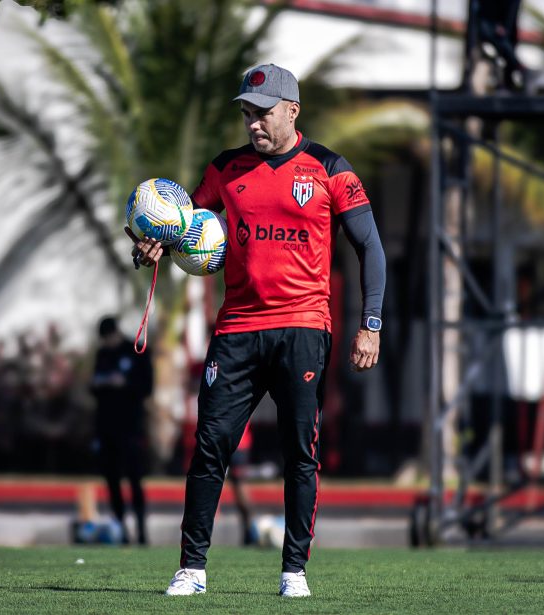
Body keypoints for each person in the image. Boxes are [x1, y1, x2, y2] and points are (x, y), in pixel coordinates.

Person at [127, 63, 385, 597]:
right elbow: (180, 224)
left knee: (299, 451)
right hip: (238, 331)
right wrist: (149, 243)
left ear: (292, 110)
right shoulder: (225, 169)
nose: (253, 124)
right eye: (246, 114)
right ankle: (191, 569)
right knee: (210, 446)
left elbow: (371, 248)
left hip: (304, 327)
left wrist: (371, 324)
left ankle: (294, 572)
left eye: (263, 113)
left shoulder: (331, 169)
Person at [90, 316, 153, 545]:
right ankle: (121, 530)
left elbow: (147, 386)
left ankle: (141, 531)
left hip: (131, 426)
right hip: (107, 428)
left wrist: (124, 383)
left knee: (135, 479)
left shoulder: (136, 350)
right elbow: (93, 386)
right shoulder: (102, 355)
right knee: (112, 480)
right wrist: (101, 383)